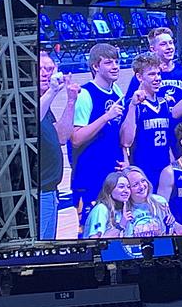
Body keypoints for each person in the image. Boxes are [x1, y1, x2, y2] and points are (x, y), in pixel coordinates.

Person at [71, 43, 125, 217]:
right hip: (89, 175)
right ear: (95, 66)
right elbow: (76, 138)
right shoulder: (85, 94)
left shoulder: (117, 91)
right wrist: (105, 117)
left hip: (113, 173)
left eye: (116, 62)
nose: (115, 66)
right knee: (90, 227)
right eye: (109, 63)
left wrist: (126, 160)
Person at [121, 53, 174, 194]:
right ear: (139, 77)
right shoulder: (133, 105)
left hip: (164, 167)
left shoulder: (164, 103)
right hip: (142, 169)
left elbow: (170, 140)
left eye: (158, 74)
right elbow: (126, 141)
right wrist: (132, 106)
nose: (157, 78)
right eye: (151, 74)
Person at [39, 50, 79, 240]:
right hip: (40, 192)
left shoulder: (46, 107)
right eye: (39, 69)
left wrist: (71, 101)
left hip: (51, 190)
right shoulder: (32, 103)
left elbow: (62, 137)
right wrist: (53, 91)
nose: (45, 73)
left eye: (49, 69)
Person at [125, 27, 182, 107]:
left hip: (181, 119)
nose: (169, 47)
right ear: (153, 49)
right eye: (163, 44)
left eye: (171, 43)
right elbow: (129, 103)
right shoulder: (143, 75)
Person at [121, 166, 176, 238]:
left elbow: (168, 234)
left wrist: (171, 224)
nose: (141, 186)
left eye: (143, 181)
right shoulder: (122, 210)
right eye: (135, 185)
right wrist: (121, 225)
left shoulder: (160, 201)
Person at [82, 172, 132, 239]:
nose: (126, 191)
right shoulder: (101, 209)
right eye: (121, 187)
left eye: (128, 187)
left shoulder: (123, 209)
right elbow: (95, 241)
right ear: (109, 189)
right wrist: (121, 226)